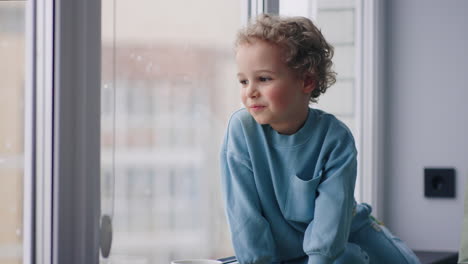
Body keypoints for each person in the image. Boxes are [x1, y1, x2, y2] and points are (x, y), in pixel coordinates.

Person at [219, 14, 421, 264]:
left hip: (346, 237)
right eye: (243, 81)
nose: (250, 91)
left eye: (263, 79)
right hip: (292, 253)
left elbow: (330, 224)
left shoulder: (335, 139)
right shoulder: (241, 132)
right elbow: (244, 216)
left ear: (307, 81)